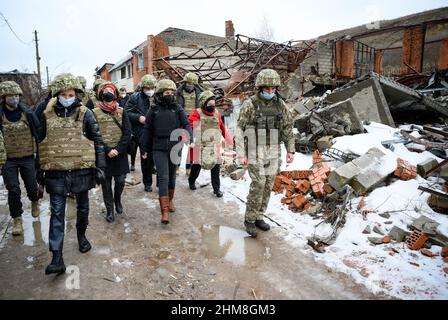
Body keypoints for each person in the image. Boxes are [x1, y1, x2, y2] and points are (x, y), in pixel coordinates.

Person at [36, 73, 106, 275]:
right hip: (56, 173)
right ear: (57, 95)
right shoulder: (46, 114)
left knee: (83, 208)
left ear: (77, 94)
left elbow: (98, 142)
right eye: (64, 94)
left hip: (82, 171)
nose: (68, 97)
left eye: (71, 94)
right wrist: (39, 169)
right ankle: (56, 257)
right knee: (57, 213)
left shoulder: (86, 114)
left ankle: (81, 236)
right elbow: (40, 144)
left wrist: (100, 168)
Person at [236, 69, 295, 238]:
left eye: (273, 89)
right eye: (267, 89)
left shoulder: (280, 104)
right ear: (260, 87)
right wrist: (241, 153)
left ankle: (260, 216)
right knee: (259, 183)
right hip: (254, 147)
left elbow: (287, 127)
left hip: (273, 148)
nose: (270, 92)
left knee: (269, 184)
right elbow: (240, 128)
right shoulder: (250, 104)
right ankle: (249, 219)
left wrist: (290, 149)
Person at [141, 79, 193, 224]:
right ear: (160, 93)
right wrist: (144, 148)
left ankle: (170, 201)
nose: (169, 95)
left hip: (175, 147)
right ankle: (164, 211)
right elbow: (147, 130)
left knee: (171, 176)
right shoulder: (154, 109)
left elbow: (186, 124)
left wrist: (189, 136)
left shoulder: (177, 108)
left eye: (171, 92)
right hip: (158, 147)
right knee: (163, 177)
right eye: (166, 92)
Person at [0, 81, 41, 236]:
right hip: (8, 159)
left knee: (31, 186)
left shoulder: (27, 113)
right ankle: (17, 219)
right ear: (4, 97)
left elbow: (37, 132)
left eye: (17, 95)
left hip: (27, 157)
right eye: (11, 95)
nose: (15, 98)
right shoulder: (0, 114)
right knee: (13, 190)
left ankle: (34, 202)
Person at [92, 82, 132, 222]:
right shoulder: (94, 112)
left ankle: (118, 201)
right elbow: (93, 135)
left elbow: (128, 133)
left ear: (114, 94)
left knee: (120, 181)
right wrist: (107, 150)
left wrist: (118, 149)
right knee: (106, 184)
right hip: (103, 154)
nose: (107, 92)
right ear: (101, 94)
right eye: (105, 90)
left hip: (119, 153)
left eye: (110, 90)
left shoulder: (121, 111)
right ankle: (109, 209)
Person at [188, 90, 233, 197]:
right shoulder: (197, 113)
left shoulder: (217, 113)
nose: (212, 106)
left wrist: (229, 140)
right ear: (203, 103)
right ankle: (191, 180)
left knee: (215, 166)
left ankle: (216, 189)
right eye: (210, 104)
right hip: (201, 145)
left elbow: (222, 127)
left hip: (214, 145)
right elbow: (189, 125)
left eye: (213, 103)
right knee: (197, 165)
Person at [125, 74, 157, 192]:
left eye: (152, 88)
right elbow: (127, 112)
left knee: (158, 157)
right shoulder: (135, 98)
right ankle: (147, 183)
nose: (150, 91)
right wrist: (139, 118)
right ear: (142, 88)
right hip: (141, 132)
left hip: (157, 131)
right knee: (146, 158)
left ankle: (160, 182)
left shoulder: (157, 97)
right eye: (147, 88)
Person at [175, 72, 203, 176]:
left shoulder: (200, 93)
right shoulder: (178, 92)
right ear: (185, 83)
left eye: (192, 83)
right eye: (188, 83)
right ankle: (176, 166)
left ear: (195, 84)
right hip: (181, 120)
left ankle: (189, 167)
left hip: (194, 121)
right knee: (179, 144)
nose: (190, 85)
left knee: (193, 145)